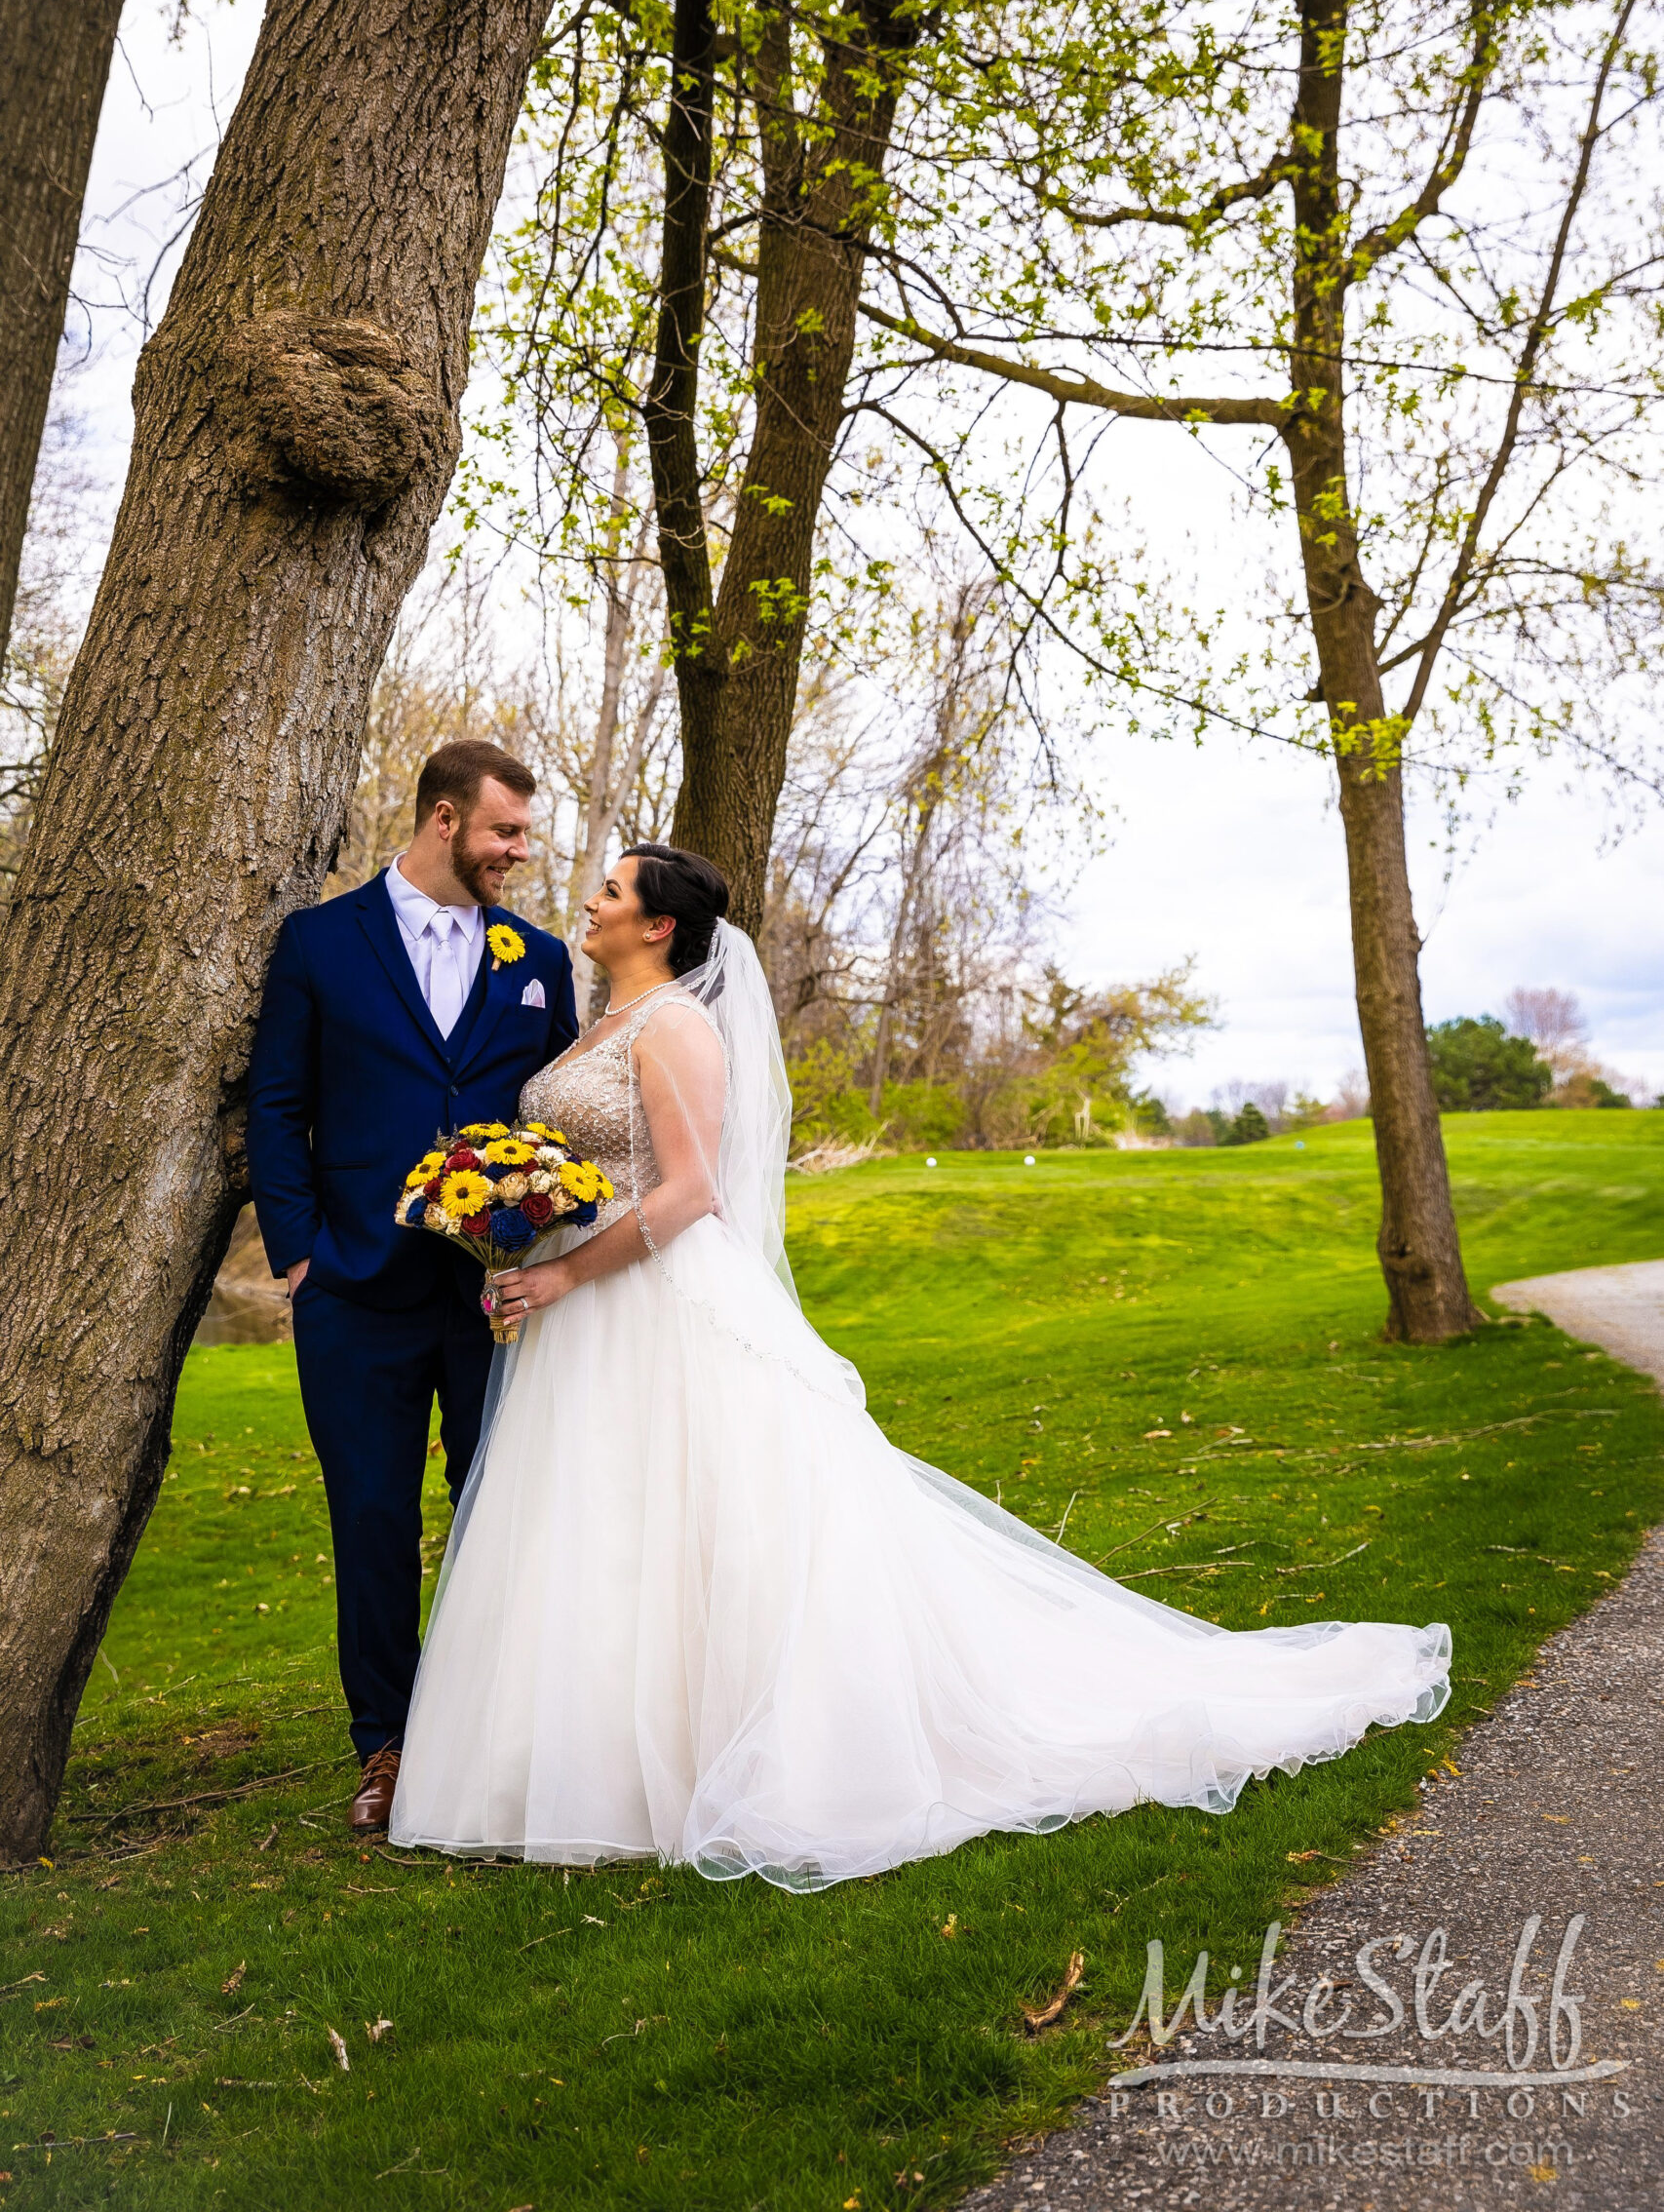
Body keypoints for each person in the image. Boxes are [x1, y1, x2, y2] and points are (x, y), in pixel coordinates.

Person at [390, 844, 1449, 1885]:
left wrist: (573, 1276)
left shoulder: (676, 1025)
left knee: (695, 1521)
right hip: (583, 1305)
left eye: (612, 890)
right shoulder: (603, 1023)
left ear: (658, 924)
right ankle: (581, 1765)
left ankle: (702, 1763)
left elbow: (690, 1191)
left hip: (650, 1297)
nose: (594, 897)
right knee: (601, 1528)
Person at [247, 741, 577, 1831]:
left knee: (498, 1513)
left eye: (523, 835)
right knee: (374, 1519)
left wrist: (540, 1233)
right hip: (354, 1288)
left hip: (496, 1296)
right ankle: (385, 1746)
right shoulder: (318, 944)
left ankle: (490, 1735)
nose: (519, 854)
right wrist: (301, 1253)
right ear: (445, 820)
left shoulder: (540, 958)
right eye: (505, 833)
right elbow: (276, 1107)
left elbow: (560, 1118)